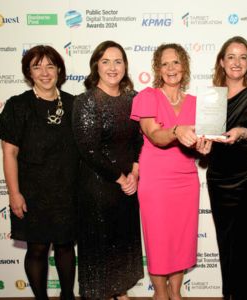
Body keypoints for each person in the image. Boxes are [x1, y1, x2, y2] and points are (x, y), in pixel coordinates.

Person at [130, 43, 211, 300]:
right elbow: (156, 136)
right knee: (158, 240)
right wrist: (176, 130)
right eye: (164, 63)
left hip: (186, 180)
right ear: (157, 68)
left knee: (181, 240)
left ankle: (176, 293)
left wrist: (206, 148)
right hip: (155, 180)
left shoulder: (198, 103)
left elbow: (200, 145)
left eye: (176, 62)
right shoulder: (147, 96)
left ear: (184, 67)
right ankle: (160, 293)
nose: (171, 68)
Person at [0, 45, 79, 300]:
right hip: (33, 193)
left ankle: (67, 296)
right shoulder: (17, 106)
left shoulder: (73, 104)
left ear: (59, 70)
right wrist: (14, 194)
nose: (45, 72)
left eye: (50, 66)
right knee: (37, 249)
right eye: (37, 66)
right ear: (29, 72)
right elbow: (9, 154)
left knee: (66, 247)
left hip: (68, 190)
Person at [72, 41, 144, 300]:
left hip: (128, 187)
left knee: (122, 243)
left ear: (125, 65)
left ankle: (120, 292)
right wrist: (122, 178)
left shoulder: (133, 99)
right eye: (106, 61)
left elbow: (139, 140)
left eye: (118, 61)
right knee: (101, 247)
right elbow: (89, 150)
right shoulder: (86, 101)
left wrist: (135, 173)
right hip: (98, 189)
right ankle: (103, 294)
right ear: (96, 66)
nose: (113, 67)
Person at [205, 36, 247, 300]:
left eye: (243, 57)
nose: (237, 62)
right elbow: (210, 137)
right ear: (222, 62)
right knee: (226, 245)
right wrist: (204, 145)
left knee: (246, 248)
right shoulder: (213, 95)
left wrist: (243, 132)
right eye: (231, 57)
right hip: (219, 179)